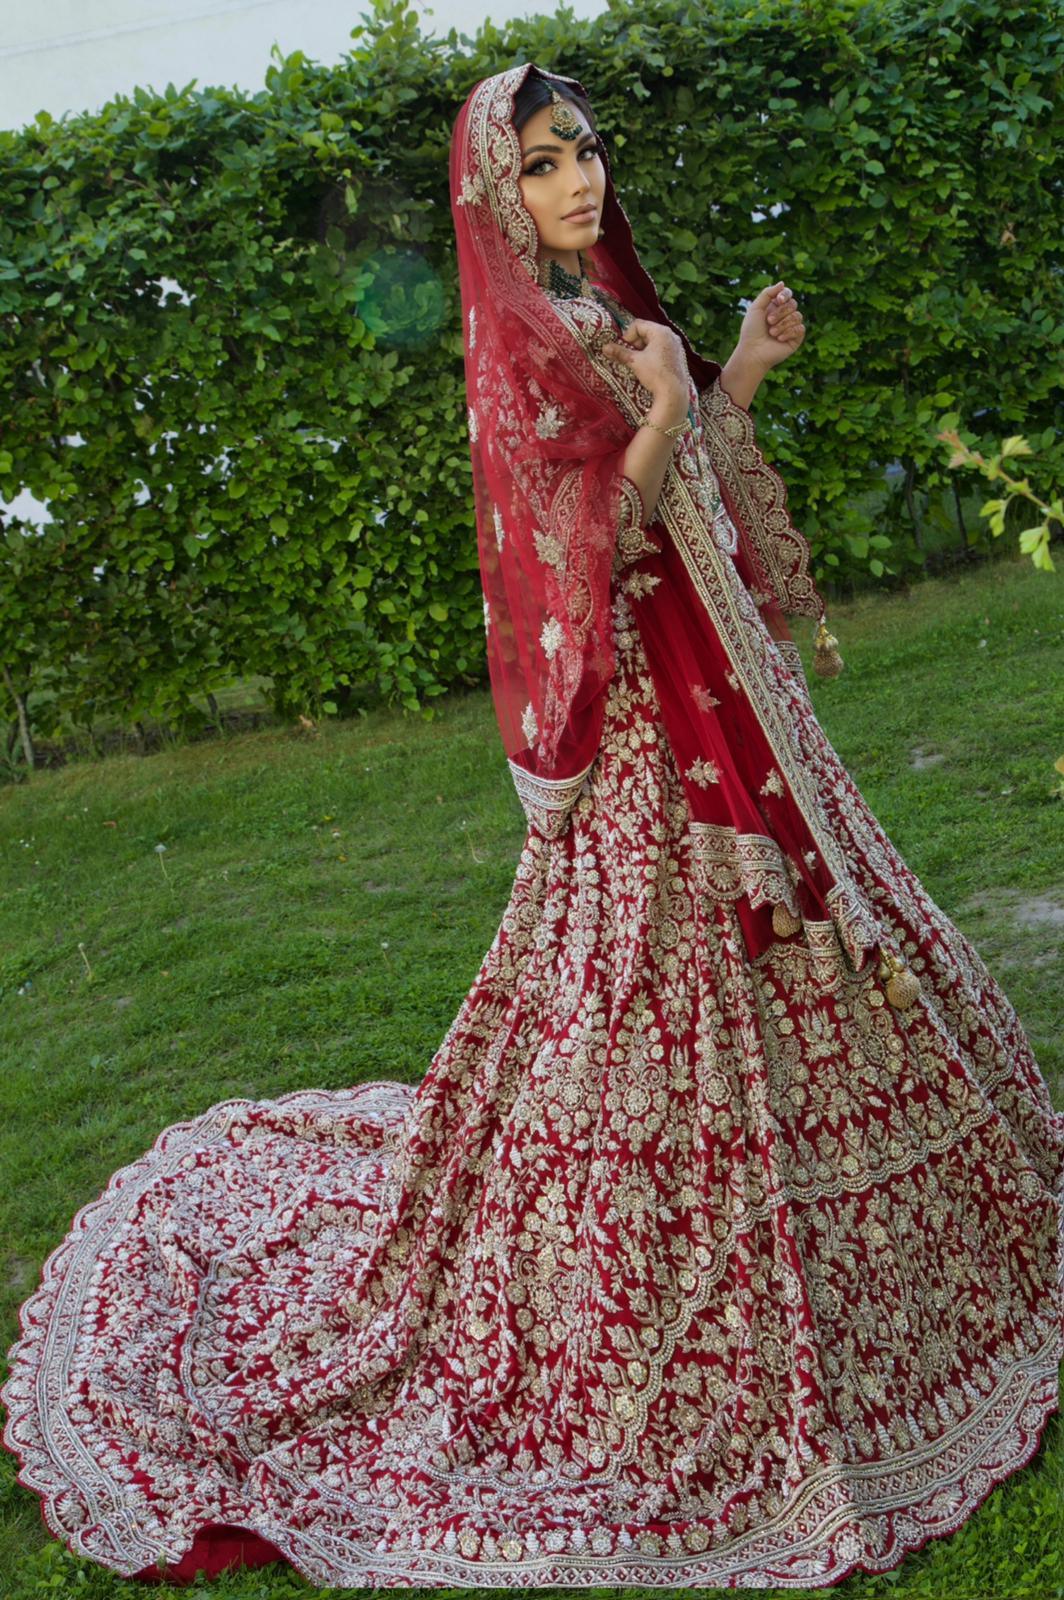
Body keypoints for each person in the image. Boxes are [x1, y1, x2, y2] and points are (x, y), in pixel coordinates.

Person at [2, 60, 1061, 1592]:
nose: (581, 184)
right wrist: (659, 407)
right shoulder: (523, 343)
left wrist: (737, 364)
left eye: (588, 155)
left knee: (838, 923)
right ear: (499, 191)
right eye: (549, 163)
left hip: (735, 693)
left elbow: (686, 456)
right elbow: (584, 538)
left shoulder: (602, 316)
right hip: (651, 729)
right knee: (639, 989)